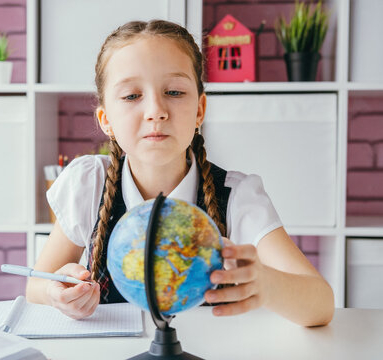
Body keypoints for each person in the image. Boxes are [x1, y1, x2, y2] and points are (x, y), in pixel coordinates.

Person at [26, 19, 334, 326]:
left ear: (200, 110)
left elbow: (320, 304)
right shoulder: (90, 184)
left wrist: (267, 285)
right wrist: (56, 293)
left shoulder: (237, 196)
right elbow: (34, 287)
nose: (156, 110)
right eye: (132, 96)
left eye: (174, 91)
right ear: (106, 120)